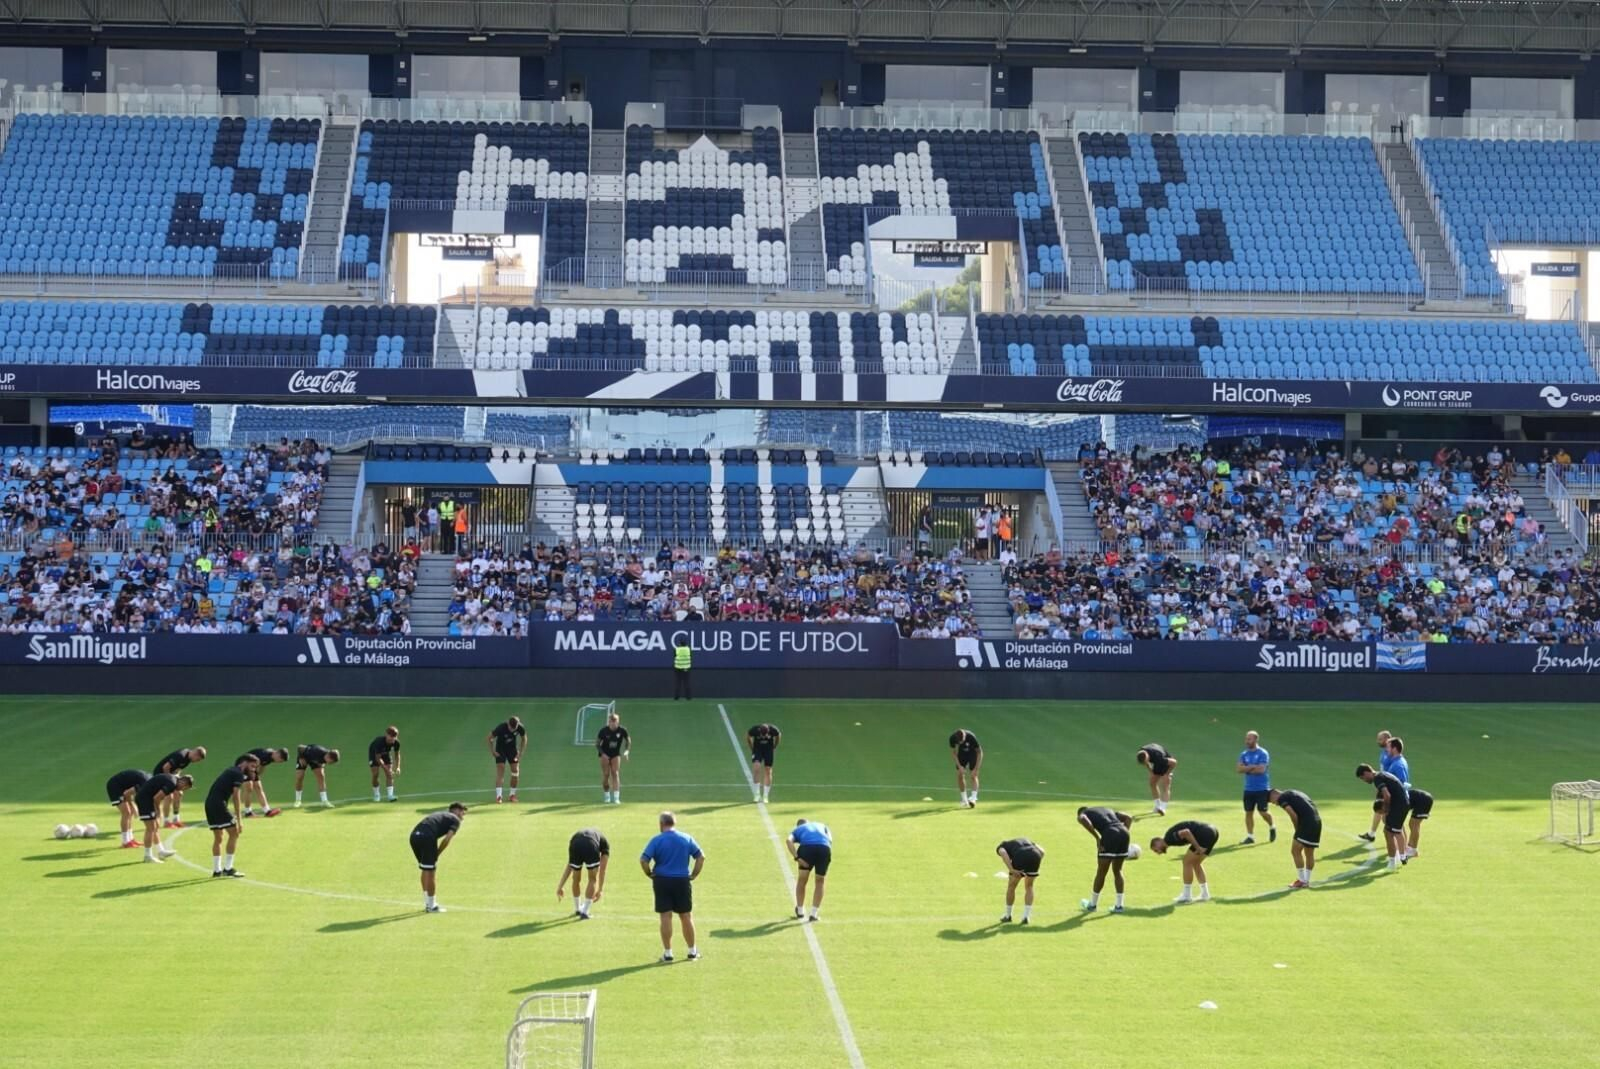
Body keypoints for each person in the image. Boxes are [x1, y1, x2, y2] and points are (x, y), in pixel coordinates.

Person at [639, 810, 705, 963]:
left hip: (662, 880)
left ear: (661, 824)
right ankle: (692, 951)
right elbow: (701, 857)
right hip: (682, 880)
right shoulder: (686, 838)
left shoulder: (656, 840)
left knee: (665, 916)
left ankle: (668, 953)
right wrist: (694, 874)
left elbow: (643, 860)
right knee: (686, 916)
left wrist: (649, 874)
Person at [205, 755, 258, 878]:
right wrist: (239, 820)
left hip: (209, 804)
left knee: (218, 837)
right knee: (234, 833)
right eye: (252, 766)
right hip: (219, 805)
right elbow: (236, 796)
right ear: (244, 763)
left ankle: (217, 871)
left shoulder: (231, 770)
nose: (254, 769)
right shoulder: (238, 774)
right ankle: (228, 868)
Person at [1077, 806, 1138, 912]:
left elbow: (1082, 818)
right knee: (1118, 871)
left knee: (1101, 872)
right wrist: (1123, 834)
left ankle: (1092, 905)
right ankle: (1119, 906)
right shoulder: (1106, 810)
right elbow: (1128, 818)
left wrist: (1097, 838)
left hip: (1109, 834)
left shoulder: (1084, 813)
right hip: (1124, 833)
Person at [411, 802, 468, 913]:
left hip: (414, 836)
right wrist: (437, 853)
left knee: (425, 869)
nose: (462, 817)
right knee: (431, 871)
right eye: (462, 813)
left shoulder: (440, 815)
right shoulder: (455, 819)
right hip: (427, 838)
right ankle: (432, 906)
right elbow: (447, 840)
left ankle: (428, 902)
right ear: (456, 810)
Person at [1148, 820, 1219, 903]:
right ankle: (1205, 894)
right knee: (1196, 863)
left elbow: (1186, 832)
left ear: (1159, 840)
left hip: (1205, 833)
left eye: (1156, 850)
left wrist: (1197, 847)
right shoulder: (1170, 840)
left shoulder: (1169, 838)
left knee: (1186, 862)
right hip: (1213, 831)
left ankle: (1187, 895)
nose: (1159, 853)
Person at [1357, 763, 1410, 871]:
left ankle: (1394, 861)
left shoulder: (1377, 779)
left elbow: (1387, 795)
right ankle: (1401, 856)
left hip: (1398, 805)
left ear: (1367, 772)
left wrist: (1386, 811)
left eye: (1363, 778)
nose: (1365, 781)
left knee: (1388, 832)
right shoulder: (1382, 774)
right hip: (1403, 803)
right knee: (1394, 830)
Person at [132, 772, 193, 863]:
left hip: (147, 799)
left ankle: (161, 851)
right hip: (144, 800)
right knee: (150, 828)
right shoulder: (172, 784)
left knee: (155, 827)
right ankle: (147, 856)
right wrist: (158, 811)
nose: (182, 790)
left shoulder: (172, 779)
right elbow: (157, 798)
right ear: (183, 782)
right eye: (185, 788)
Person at [1269, 788, 1322, 888]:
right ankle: (1306, 881)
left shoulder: (1282, 798)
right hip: (1317, 821)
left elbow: (1292, 814)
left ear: (1274, 794)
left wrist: (1297, 829)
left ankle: (1301, 880)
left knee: (1295, 851)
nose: (1275, 804)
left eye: (1272, 801)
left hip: (1306, 823)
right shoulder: (1295, 792)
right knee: (1309, 853)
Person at [559, 827, 611, 919]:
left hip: (575, 842)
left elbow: (570, 865)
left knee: (576, 879)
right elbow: (602, 870)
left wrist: (560, 886)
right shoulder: (605, 845)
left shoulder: (581, 837)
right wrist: (600, 890)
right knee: (592, 879)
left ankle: (578, 909)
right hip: (590, 845)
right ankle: (585, 912)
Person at [786, 819, 832, 922]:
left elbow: (788, 841)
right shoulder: (822, 824)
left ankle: (800, 911)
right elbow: (830, 839)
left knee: (802, 880)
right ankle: (814, 914)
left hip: (807, 849)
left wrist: (797, 857)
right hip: (824, 848)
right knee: (820, 881)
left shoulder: (797, 830)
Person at [151, 746, 207, 828]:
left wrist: (177, 780)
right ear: (195, 754)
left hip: (170, 776)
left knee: (179, 794)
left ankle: (176, 819)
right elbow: (165, 767)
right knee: (169, 796)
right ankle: (166, 822)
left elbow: (178, 769)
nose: (196, 762)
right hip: (160, 776)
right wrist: (170, 781)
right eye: (198, 759)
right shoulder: (181, 755)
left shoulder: (188, 759)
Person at [1237, 731, 1276, 844]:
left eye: (1249, 739)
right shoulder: (1244, 754)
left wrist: (1247, 768)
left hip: (1261, 788)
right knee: (1248, 812)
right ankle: (1250, 836)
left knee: (1263, 812)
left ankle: (1272, 826)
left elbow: (1261, 770)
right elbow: (1239, 769)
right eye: (1246, 739)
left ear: (1255, 740)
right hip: (1248, 789)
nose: (1247, 741)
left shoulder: (1263, 753)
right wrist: (1253, 767)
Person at [996, 837, 1044, 924]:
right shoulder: (1027, 841)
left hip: (1020, 856)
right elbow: (1042, 851)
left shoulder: (1001, 847)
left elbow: (1003, 853)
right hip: (1035, 855)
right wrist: (1036, 864)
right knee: (1029, 886)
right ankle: (1026, 916)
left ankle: (1008, 915)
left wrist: (1011, 869)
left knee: (1012, 886)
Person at [1360, 730, 1394, 842]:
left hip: (1388, 786)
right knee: (1378, 808)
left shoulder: (1390, 754)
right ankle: (1372, 833)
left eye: (1380, 739)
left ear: (1387, 739)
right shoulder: (1384, 752)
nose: (1377, 742)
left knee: (1389, 815)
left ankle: (1397, 841)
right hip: (1383, 783)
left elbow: (1390, 772)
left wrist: (1383, 785)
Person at [104, 768, 150, 848]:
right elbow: (127, 793)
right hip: (115, 786)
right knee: (126, 812)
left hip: (123, 787)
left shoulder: (148, 781)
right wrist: (133, 806)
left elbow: (128, 792)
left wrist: (133, 806)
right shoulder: (145, 783)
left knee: (130, 813)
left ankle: (131, 839)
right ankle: (125, 842)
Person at [239, 747, 289, 818]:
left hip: (252, 767)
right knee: (249, 787)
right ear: (277, 754)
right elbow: (252, 765)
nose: (279, 762)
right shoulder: (264, 755)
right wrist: (252, 777)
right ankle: (248, 812)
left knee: (258, 787)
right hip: (243, 765)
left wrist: (257, 777)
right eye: (280, 760)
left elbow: (262, 766)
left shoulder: (271, 757)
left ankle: (267, 811)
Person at [488, 715, 527, 803]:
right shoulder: (500, 728)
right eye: (511, 728)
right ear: (508, 724)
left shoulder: (520, 728)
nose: (512, 730)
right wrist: (493, 751)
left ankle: (512, 795)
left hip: (512, 750)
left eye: (514, 728)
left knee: (515, 772)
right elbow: (489, 738)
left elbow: (524, 738)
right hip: (500, 750)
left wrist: (520, 752)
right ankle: (499, 796)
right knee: (501, 770)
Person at [595, 711, 630, 805]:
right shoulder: (603, 731)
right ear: (609, 722)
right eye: (611, 721)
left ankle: (616, 798)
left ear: (618, 722)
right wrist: (603, 754)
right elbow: (597, 744)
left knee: (615, 773)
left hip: (615, 754)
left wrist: (626, 751)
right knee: (606, 774)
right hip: (604, 754)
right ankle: (606, 795)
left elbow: (628, 740)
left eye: (615, 721)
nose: (613, 723)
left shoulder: (622, 730)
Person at [1136, 744, 1176, 815]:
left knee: (1165, 785)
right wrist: (1151, 772)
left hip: (1166, 765)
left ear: (1147, 757)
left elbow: (1174, 762)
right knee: (1152, 783)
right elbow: (1147, 763)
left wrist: (1167, 774)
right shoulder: (1142, 752)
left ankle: (1163, 808)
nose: (1145, 763)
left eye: (1146, 761)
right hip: (1156, 763)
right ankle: (1157, 807)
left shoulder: (1159, 757)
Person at [747, 721, 781, 803]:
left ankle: (765, 796)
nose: (763, 736)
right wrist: (752, 748)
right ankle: (757, 794)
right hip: (757, 749)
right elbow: (748, 736)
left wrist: (774, 746)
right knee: (756, 768)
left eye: (765, 735)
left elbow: (778, 735)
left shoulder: (773, 729)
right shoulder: (754, 730)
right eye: (762, 735)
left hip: (768, 750)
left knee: (768, 770)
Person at [949, 728, 982, 808]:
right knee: (960, 775)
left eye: (963, 740)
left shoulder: (971, 737)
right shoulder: (952, 738)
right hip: (962, 754)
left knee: (973, 776)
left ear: (964, 736)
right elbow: (954, 753)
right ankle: (964, 800)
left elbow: (980, 752)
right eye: (960, 742)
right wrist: (960, 766)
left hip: (972, 753)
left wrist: (976, 769)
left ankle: (973, 798)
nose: (961, 742)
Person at [368, 726, 402, 803]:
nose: (392, 739)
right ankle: (376, 794)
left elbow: (397, 754)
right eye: (391, 737)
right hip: (374, 754)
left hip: (386, 753)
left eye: (394, 737)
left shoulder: (396, 743)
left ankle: (390, 796)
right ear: (386, 735)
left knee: (389, 775)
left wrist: (398, 767)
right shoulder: (379, 742)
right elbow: (378, 758)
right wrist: (386, 769)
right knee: (375, 774)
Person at [1402, 788, 1434, 860]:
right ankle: (1410, 846)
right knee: (1412, 824)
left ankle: (1413, 850)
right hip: (1423, 799)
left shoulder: (1398, 802)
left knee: (1415, 824)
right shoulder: (1398, 799)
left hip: (1423, 800)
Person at [672, 635, 693, 701]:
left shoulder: (676, 649)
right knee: (686, 683)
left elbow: (674, 656)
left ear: (680, 643)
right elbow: (691, 656)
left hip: (678, 668)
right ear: (686, 643)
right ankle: (688, 697)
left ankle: (676, 697)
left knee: (678, 682)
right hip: (686, 668)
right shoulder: (689, 649)